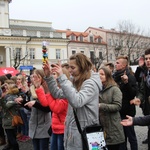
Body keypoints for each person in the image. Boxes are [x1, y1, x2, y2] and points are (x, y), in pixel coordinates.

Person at [43, 53, 102, 150]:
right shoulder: (76, 81)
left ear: (82, 67)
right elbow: (57, 94)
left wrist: (62, 77)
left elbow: (77, 101)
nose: (69, 70)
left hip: (87, 133)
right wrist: (49, 77)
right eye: (69, 67)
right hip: (75, 132)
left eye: (72, 67)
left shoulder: (91, 83)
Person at [34, 67, 70, 150]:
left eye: (54, 74)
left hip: (63, 129)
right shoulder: (55, 90)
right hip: (55, 128)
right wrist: (39, 88)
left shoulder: (65, 91)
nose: (52, 76)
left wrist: (47, 92)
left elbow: (56, 108)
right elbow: (46, 103)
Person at [113, 56, 138, 150]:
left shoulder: (130, 76)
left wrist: (126, 83)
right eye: (116, 62)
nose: (116, 64)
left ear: (124, 65)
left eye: (118, 63)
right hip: (119, 111)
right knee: (122, 138)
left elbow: (132, 94)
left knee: (131, 136)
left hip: (127, 111)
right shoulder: (115, 76)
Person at [127, 48, 150, 150]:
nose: (148, 61)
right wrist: (139, 99)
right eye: (146, 59)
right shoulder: (145, 73)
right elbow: (141, 89)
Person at [99, 66, 125, 150]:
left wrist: (101, 106)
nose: (100, 76)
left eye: (102, 74)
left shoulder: (115, 89)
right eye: (98, 74)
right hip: (102, 127)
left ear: (108, 76)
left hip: (113, 127)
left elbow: (118, 106)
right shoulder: (97, 89)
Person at [0, 82, 20, 150]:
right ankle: (10, 146)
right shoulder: (14, 96)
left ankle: (15, 148)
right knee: (11, 136)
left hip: (10, 120)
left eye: (7, 88)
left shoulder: (10, 98)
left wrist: (2, 99)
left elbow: (5, 107)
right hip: (10, 119)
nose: (5, 90)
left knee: (11, 137)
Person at [134, 55, 148, 144]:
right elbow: (137, 79)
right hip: (146, 102)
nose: (148, 61)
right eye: (146, 59)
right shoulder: (144, 71)